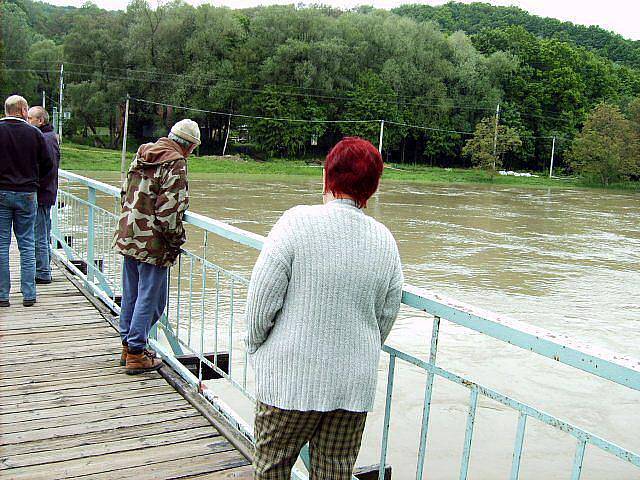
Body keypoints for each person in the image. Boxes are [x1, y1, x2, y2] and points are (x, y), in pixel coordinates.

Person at [245, 137, 404, 480]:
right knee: (335, 472)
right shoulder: (385, 241)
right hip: (352, 386)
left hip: (289, 382)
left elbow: (260, 306)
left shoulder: (295, 223)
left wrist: (258, 350)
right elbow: (386, 317)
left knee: (271, 468)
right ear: (373, 189)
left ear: (327, 177)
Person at [114, 119, 200, 374]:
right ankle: (137, 353)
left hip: (129, 232)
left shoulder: (142, 154)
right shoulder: (175, 162)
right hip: (153, 243)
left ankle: (127, 345)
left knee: (131, 295)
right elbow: (169, 212)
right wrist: (176, 242)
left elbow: (124, 192)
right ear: (189, 146)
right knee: (152, 299)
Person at [0, 95, 52, 308]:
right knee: (27, 243)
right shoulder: (34, 133)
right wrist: (34, 181)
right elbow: (47, 164)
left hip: (1, 192)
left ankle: (3, 295)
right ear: (22, 110)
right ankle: (28, 294)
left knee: (2, 245)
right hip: (28, 192)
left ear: (6, 110)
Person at [28, 106, 60, 284]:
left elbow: (47, 167)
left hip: (41, 194)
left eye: (30, 118)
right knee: (43, 232)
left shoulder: (45, 139)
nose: (27, 122)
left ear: (40, 121)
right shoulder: (49, 137)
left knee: (39, 233)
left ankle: (42, 272)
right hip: (46, 192)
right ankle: (44, 267)